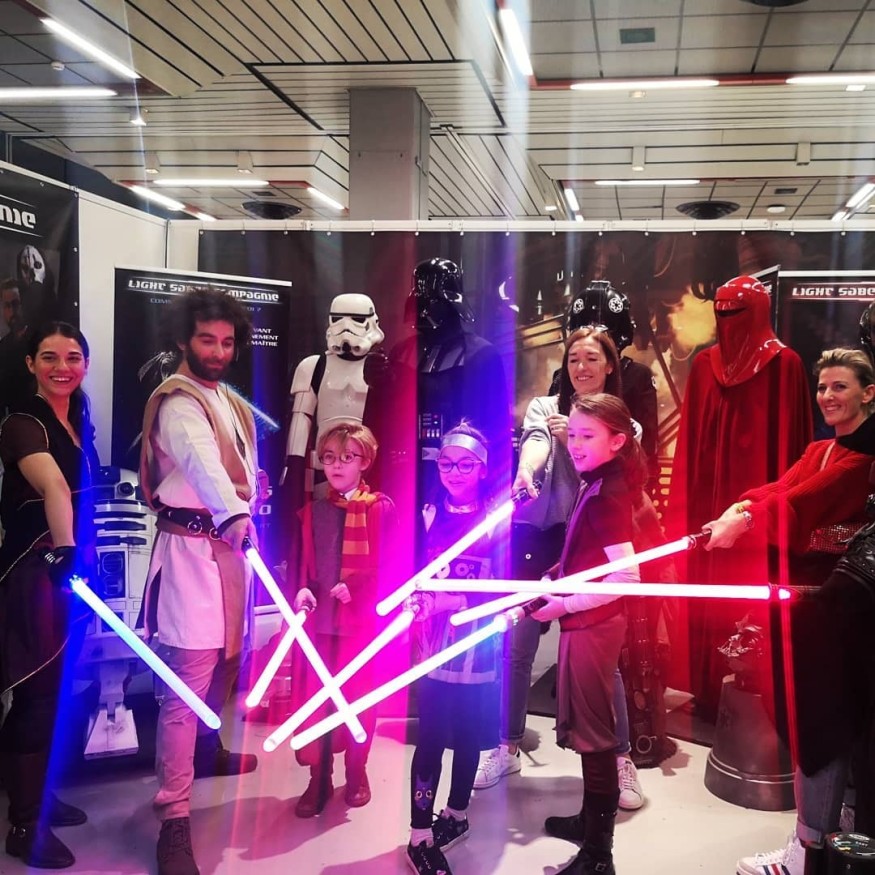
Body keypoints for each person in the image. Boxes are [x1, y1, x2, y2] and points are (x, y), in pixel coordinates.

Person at [698, 348, 875, 875]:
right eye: (823, 387)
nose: (827, 396)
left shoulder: (864, 456)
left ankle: (809, 846)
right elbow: (783, 486)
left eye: (840, 386)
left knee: (823, 721)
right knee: (823, 720)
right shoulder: (823, 447)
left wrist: (746, 521)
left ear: (869, 392)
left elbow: (805, 501)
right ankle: (828, 834)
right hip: (811, 604)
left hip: (836, 610)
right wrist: (740, 507)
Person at [475, 327, 644, 811]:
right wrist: (526, 470)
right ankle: (506, 746)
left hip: (594, 543)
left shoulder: (622, 423)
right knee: (517, 648)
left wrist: (575, 432)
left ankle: (620, 759)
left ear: (609, 364)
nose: (581, 368)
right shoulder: (545, 408)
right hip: (538, 538)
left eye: (591, 358)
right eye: (573, 359)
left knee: (601, 659)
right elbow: (536, 441)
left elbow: (621, 470)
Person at [139, 289, 259, 875]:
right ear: (185, 339)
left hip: (229, 555)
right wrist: (233, 514)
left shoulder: (226, 399)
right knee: (186, 688)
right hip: (191, 554)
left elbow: (237, 468)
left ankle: (209, 753)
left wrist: (246, 504)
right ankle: (174, 816)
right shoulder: (177, 402)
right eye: (207, 340)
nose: (218, 351)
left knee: (227, 664)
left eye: (227, 342)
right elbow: (202, 465)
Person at [530, 393, 647, 875]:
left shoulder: (608, 494)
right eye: (572, 434)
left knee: (596, 738)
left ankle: (599, 855)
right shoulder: (597, 482)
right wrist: (558, 575)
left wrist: (564, 602)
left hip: (594, 626)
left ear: (617, 441)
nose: (575, 444)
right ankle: (589, 823)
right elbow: (590, 554)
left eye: (587, 436)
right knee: (590, 732)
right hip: (586, 621)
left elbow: (625, 578)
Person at [0, 322, 98, 869]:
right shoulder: (20, 423)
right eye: (50, 357)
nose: (63, 367)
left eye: (73, 357)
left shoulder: (78, 419)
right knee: (36, 696)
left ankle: (38, 796)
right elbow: (55, 486)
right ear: (30, 364)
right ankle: (23, 824)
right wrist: (66, 554)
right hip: (38, 572)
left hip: (70, 570)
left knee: (57, 692)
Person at [405, 424, 503, 875]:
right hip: (433, 646)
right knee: (430, 739)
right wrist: (415, 598)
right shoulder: (426, 514)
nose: (454, 472)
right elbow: (409, 571)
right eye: (446, 463)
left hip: (478, 646)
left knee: (468, 735)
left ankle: (456, 813)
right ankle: (419, 833)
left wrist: (456, 601)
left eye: (466, 464)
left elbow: (505, 586)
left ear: (482, 468)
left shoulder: (496, 519)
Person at [291, 422, 396, 817]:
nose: (336, 465)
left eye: (347, 457)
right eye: (329, 458)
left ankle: (356, 771)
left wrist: (360, 587)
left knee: (359, 700)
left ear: (364, 461)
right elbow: (302, 565)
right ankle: (319, 778)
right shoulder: (313, 511)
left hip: (361, 625)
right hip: (320, 626)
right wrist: (300, 589)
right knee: (316, 701)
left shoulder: (379, 508)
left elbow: (393, 565)